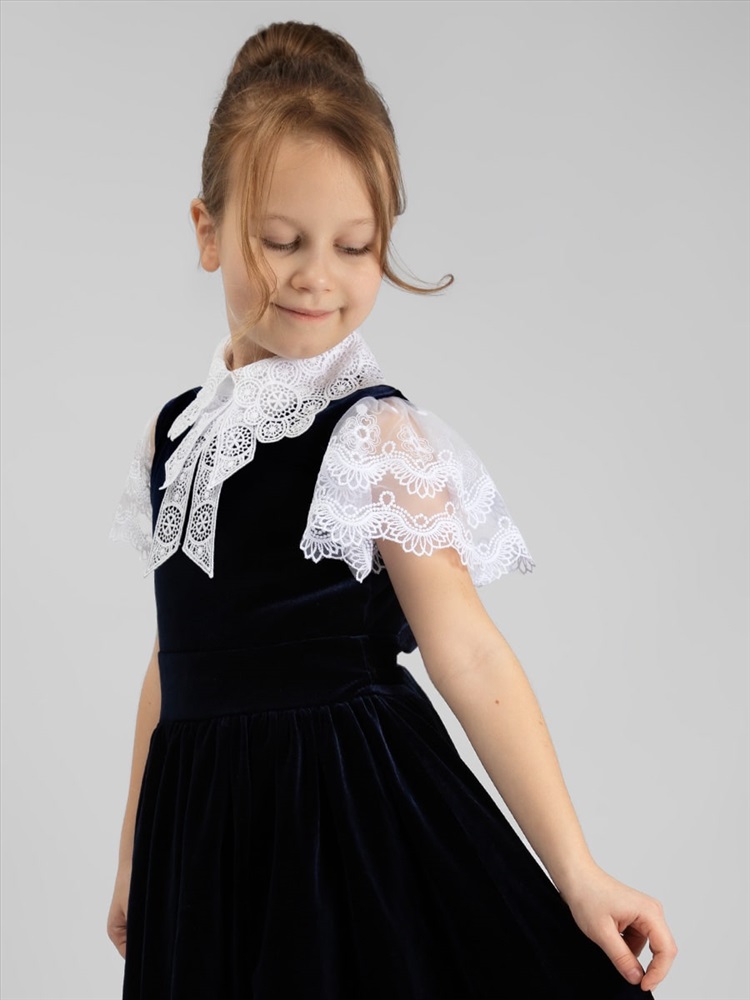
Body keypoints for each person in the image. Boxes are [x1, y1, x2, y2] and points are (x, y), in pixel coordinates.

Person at [106, 20, 676, 1000]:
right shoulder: (175, 436)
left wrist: (578, 871)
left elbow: (469, 652)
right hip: (205, 844)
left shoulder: (373, 435)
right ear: (207, 230)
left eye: (355, 246)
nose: (316, 275)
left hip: (342, 828)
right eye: (281, 240)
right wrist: (135, 853)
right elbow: (174, 659)